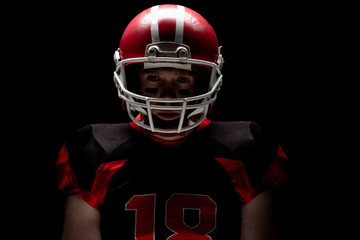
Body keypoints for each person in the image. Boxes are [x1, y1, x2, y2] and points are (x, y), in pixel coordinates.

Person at [56, 4, 288, 240]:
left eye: (182, 79)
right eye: (154, 78)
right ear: (131, 79)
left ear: (206, 80)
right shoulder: (95, 150)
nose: (168, 95)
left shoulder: (245, 148)